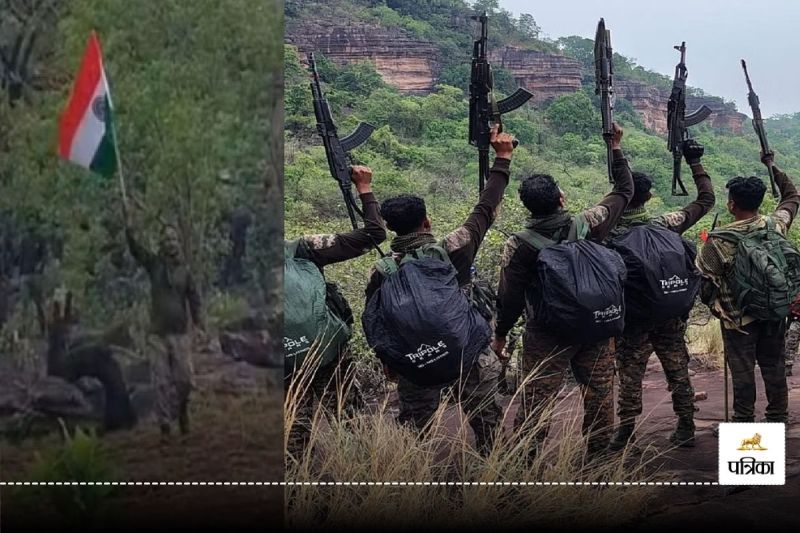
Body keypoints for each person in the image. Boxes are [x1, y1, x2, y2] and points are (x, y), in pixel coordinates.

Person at [363, 127, 516, 456]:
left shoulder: (383, 271)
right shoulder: (454, 248)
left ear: (391, 228)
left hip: (417, 358)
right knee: (486, 420)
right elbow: (486, 207)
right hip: (467, 349)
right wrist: (503, 157)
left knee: (414, 427)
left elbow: (375, 321)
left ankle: (413, 473)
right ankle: (493, 470)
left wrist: (389, 361)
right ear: (427, 222)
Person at [493, 123, 633, 459]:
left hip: (547, 333)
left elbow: (510, 298)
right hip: (596, 325)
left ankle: (526, 461)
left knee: (537, 398)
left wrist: (500, 335)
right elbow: (624, 190)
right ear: (561, 199)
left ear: (527, 207)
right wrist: (615, 147)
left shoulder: (520, 244)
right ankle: (599, 458)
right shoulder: (589, 223)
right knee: (600, 393)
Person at [609, 141, 715, 450]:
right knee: (677, 368)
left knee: (630, 374)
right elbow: (706, 199)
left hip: (634, 320)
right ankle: (686, 425)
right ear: (649, 198)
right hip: (669, 313)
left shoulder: (609, 231)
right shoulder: (665, 223)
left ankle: (625, 432)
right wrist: (694, 162)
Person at [285, 165, 386, 458]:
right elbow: (374, 234)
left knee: (294, 427)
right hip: (327, 348)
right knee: (350, 416)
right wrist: (364, 188)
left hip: (281, 362)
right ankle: (370, 471)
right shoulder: (301, 248)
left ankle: (299, 478)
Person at [697, 152, 799, 424]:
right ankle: (777, 417)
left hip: (738, 320)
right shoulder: (775, 225)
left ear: (731, 205)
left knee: (742, 372)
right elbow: (791, 197)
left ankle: (743, 422)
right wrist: (771, 166)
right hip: (774, 311)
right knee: (774, 366)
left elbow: (706, 285)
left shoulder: (717, 241)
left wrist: (718, 308)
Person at [125, 214, 204, 438]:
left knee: (185, 380)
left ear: (178, 242)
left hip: (180, 333)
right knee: (160, 381)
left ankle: (182, 411)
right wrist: (130, 230)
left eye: (173, 239)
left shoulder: (185, 271)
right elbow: (136, 251)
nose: (170, 243)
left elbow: (194, 298)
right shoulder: (154, 265)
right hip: (157, 334)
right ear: (161, 243)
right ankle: (165, 426)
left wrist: (199, 323)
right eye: (166, 239)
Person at [784, 294, 800, 376]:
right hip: (795, 321)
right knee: (790, 344)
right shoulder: (793, 291)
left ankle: (787, 367)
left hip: (795, 321)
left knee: (790, 344)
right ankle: (788, 368)